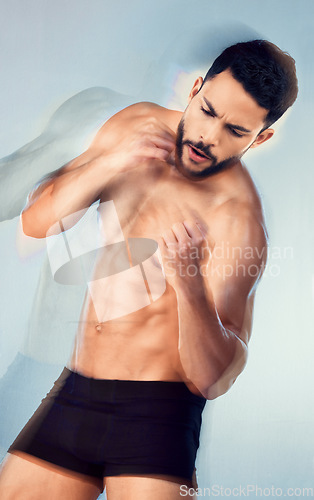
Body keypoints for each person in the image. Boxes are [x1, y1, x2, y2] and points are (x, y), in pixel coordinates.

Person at [0, 40, 298, 499]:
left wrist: (189, 284)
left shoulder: (238, 220)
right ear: (196, 88)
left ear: (260, 138)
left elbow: (213, 378)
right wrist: (110, 164)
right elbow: (36, 221)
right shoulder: (137, 125)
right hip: (76, 391)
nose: (207, 137)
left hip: (158, 415)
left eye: (235, 130)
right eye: (207, 111)